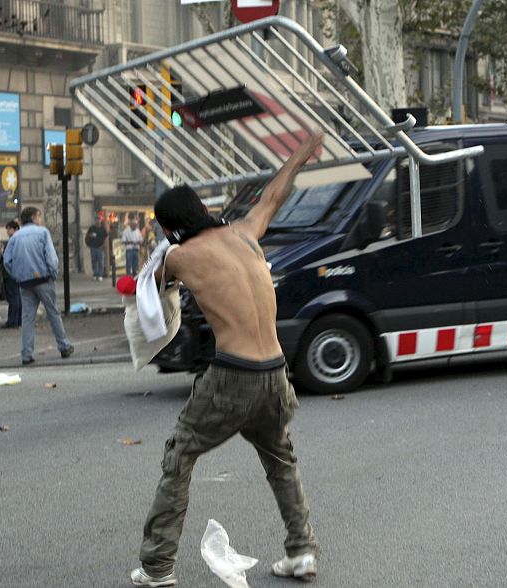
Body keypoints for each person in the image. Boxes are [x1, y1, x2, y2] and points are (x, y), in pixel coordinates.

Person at [130, 132, 324, 588]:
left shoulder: (179, 254)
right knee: (281, 460)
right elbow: (275, 193)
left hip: (232, 376)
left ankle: (157, 567)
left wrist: (160, 263)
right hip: (276, 373)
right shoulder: (244, 231)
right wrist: (303, 150)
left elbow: (146, 288)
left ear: (170, 227)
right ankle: (301, 552)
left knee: (180, 455)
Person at [3, 207, 74, 365]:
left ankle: (27, 354)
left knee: (27, 318)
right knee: (53, 313)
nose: (40, 220)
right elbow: (51, 258)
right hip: (43, 279)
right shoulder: (42, 233)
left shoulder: (15, 237)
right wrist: (53, 273)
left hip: (24, 282)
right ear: (35, 217)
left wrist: (17, 275)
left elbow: (7, 261)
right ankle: (64, 346)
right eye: (39, 217)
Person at [0, 219, 21, 328]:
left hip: (10, 273)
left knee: (13, 297)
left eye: (9, 229)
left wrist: (1, 250)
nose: (7, 231)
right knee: (17, 297)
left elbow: (7, 258)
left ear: (15, 229)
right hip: (16, 272)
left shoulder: (13, 240)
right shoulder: (18, 239)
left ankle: (13, 321)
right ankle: (17, 320)